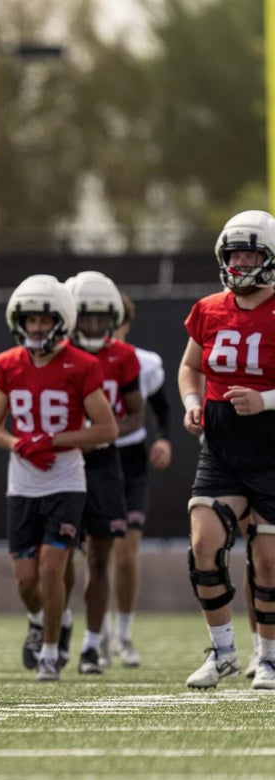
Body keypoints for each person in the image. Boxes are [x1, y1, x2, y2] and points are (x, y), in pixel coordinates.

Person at [0, 274, 117, 683]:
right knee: (26, 581)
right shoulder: (6, 364)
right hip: (22, 482)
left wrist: (53, 439)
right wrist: (18, 444)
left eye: (44, 319)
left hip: (65, 480)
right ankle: (42, 620)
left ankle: (50, 653)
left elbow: (107, 429)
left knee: (51, 569)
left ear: (60, 320)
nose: (37, 327)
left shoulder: (82, 365)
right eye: (30, 319)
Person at [180, 210, 275, 690]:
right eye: (234, 253)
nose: (239, 263)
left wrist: (266, 400)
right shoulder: (209, 308)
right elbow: (190, 367)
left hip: (272, 449)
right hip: (221, 447)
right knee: (204, 546)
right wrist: (193, 401)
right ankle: (222, 653)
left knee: (268, 559)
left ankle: (270, 656)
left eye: (250, 254)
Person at [64, 271, 145, 675]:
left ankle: (92, 644)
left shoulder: (123, 356)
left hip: (102, 463)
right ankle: (55, 623)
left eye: (101, 318)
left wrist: (104, 435)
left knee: (99, 555)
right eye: (86, 317)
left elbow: (136, 414)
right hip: (61, 463)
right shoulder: (55, 352)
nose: (94, 325)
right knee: (56, 556)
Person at [105, 294, 172, 668]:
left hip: (129, 461)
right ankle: (89, 634)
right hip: (90, 460)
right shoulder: (76, 359)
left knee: (126, 553)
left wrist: (163, 438)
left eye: (110, 320)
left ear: (125, 324)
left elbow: (162, 407)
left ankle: (124, 633)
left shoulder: (143, 363)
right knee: (93, 555)